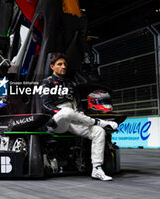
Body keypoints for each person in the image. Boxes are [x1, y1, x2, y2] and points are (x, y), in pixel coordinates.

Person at [40, 53, 118, 181]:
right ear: (52, 66)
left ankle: (97, 169)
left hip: (75, 118)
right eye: (59, 64)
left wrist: (80, 113)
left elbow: (79, 105)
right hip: (58, 122)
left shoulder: (72, 84)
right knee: (66, 112)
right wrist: (64, 112)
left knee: (99, 131)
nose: (63, 66)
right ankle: (99, 122)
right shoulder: (46, 83)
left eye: (65, 64)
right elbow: (46, 105)